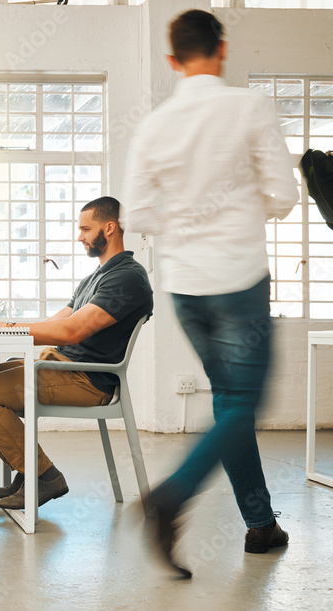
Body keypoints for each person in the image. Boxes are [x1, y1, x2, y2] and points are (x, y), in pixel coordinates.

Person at [121, 9, 299, 577]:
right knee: (243, 402)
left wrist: (188, 214)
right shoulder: (249, 108)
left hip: (186, 288)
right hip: (239, 281)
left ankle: (260, 522)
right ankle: (169, 498)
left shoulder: (155, 125)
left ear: (172, 60)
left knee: (229, 401)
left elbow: (140, 213)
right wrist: (241, 204)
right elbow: (283, 195)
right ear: (221, 49)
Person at [0, 197, 152, 511]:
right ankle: (27, 470)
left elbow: (73, 332)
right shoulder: (93, 278)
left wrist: (3, 324)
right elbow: (56, 323)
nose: (79, 236)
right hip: (62, 366)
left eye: (86, 228)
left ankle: (45, 476)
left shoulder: (127, 277)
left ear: (109, 227)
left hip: (88, 379)